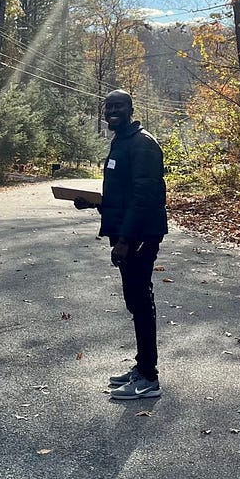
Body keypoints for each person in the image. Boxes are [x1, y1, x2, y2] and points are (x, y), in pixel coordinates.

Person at [74, 90, 167, 401]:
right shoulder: (122, 141)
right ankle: (142, 367)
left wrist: (126, 240)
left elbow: (145, 198)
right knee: (135, 300)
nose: (113, 111)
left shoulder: (143, 144)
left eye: (119, 106)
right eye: (109, 106)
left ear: (131, 108)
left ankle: (149, 378)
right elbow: (125, 194)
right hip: (127, 232)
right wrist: (93, 204)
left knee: (140, 301)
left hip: (140, 235)